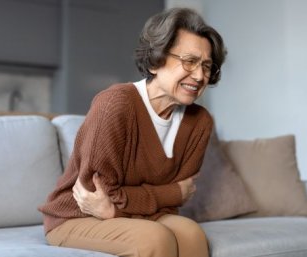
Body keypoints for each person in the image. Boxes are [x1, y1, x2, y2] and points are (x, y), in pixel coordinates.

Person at [38, 7, 226, 257]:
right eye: (190, 61)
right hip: (76, 216)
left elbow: (176, 200)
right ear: (157, 60)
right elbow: (96, 195)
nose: (200, 75)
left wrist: (117, 209)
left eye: (206, 66)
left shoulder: (200, 122)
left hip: (145, 213)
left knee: (191, 234)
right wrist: (169, 192)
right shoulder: (115, 104)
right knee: (154, 239)